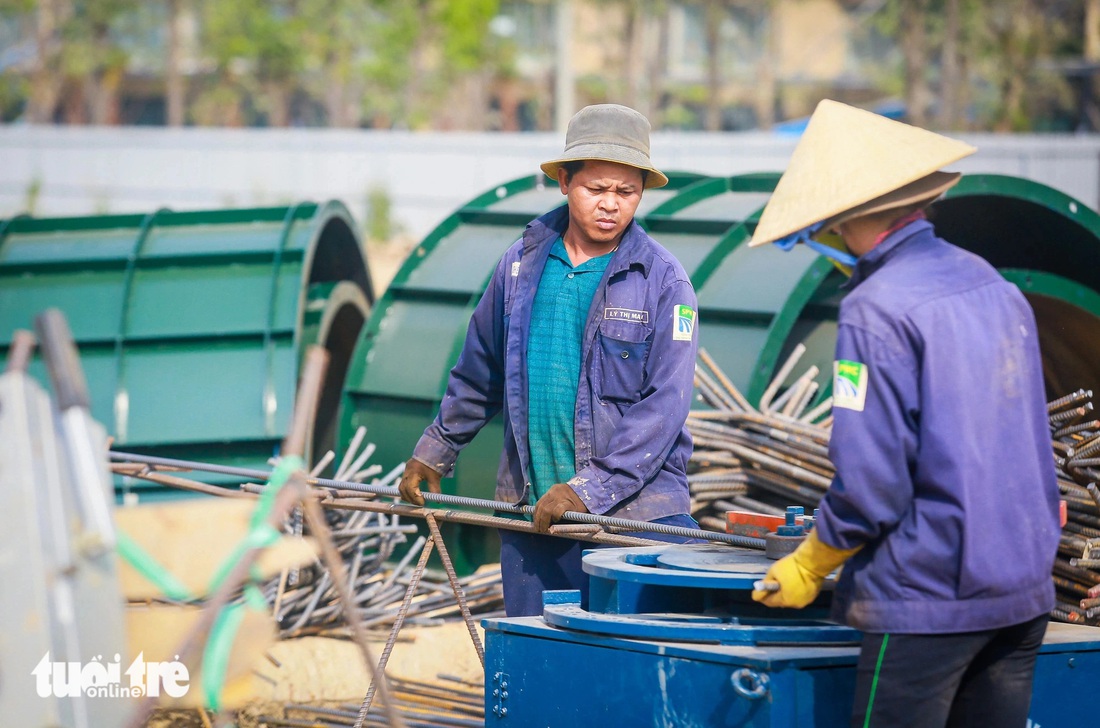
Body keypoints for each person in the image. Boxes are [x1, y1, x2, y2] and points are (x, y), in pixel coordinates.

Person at [748, 100, 1060, 727]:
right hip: (1022, 592)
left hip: (929, 601)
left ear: (841, 219)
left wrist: (813, 558)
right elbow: (1029, 436)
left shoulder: (875, 308)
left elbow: (872, 482)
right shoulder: (990, 283)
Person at [398, 104, 701, 617]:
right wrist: (437, 447)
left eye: (626, 193)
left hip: (630, 525)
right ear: (564, 181)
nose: (611, 205)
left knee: (624, 673)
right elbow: (481, 368)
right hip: (535, 514)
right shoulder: (519, 265)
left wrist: (588, 490)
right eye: (596, 189)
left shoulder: (665, 283)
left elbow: (664, 407)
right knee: (541, 671)